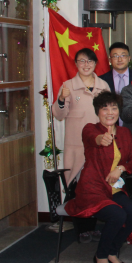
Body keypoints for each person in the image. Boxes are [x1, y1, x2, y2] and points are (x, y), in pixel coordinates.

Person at [65, 91, 132, 263]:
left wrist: (121, 168)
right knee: (117, 215)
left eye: (114, 108)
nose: (110, 112)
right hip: (92, 189)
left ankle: (113, 252)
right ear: (97, 112)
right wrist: (101, 139)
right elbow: (94, 138)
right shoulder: (90, 129)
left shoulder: (124, 133)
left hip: (114, 189)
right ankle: (100, 256)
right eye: (104, 108)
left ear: (119, 111)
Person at [52, 48, 111, 243]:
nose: (86, 65)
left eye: (90, 61)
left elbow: (111, 113)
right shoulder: (68, 86)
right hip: (77, 147)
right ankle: (81, 229)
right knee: (78, 188)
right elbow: (59, 114)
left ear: (95, 64)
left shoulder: (103, 86)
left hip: (99, 146)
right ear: (76, 64)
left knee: (96, 187)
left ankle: (92, 227)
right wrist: (62, 99)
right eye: (82, 61)